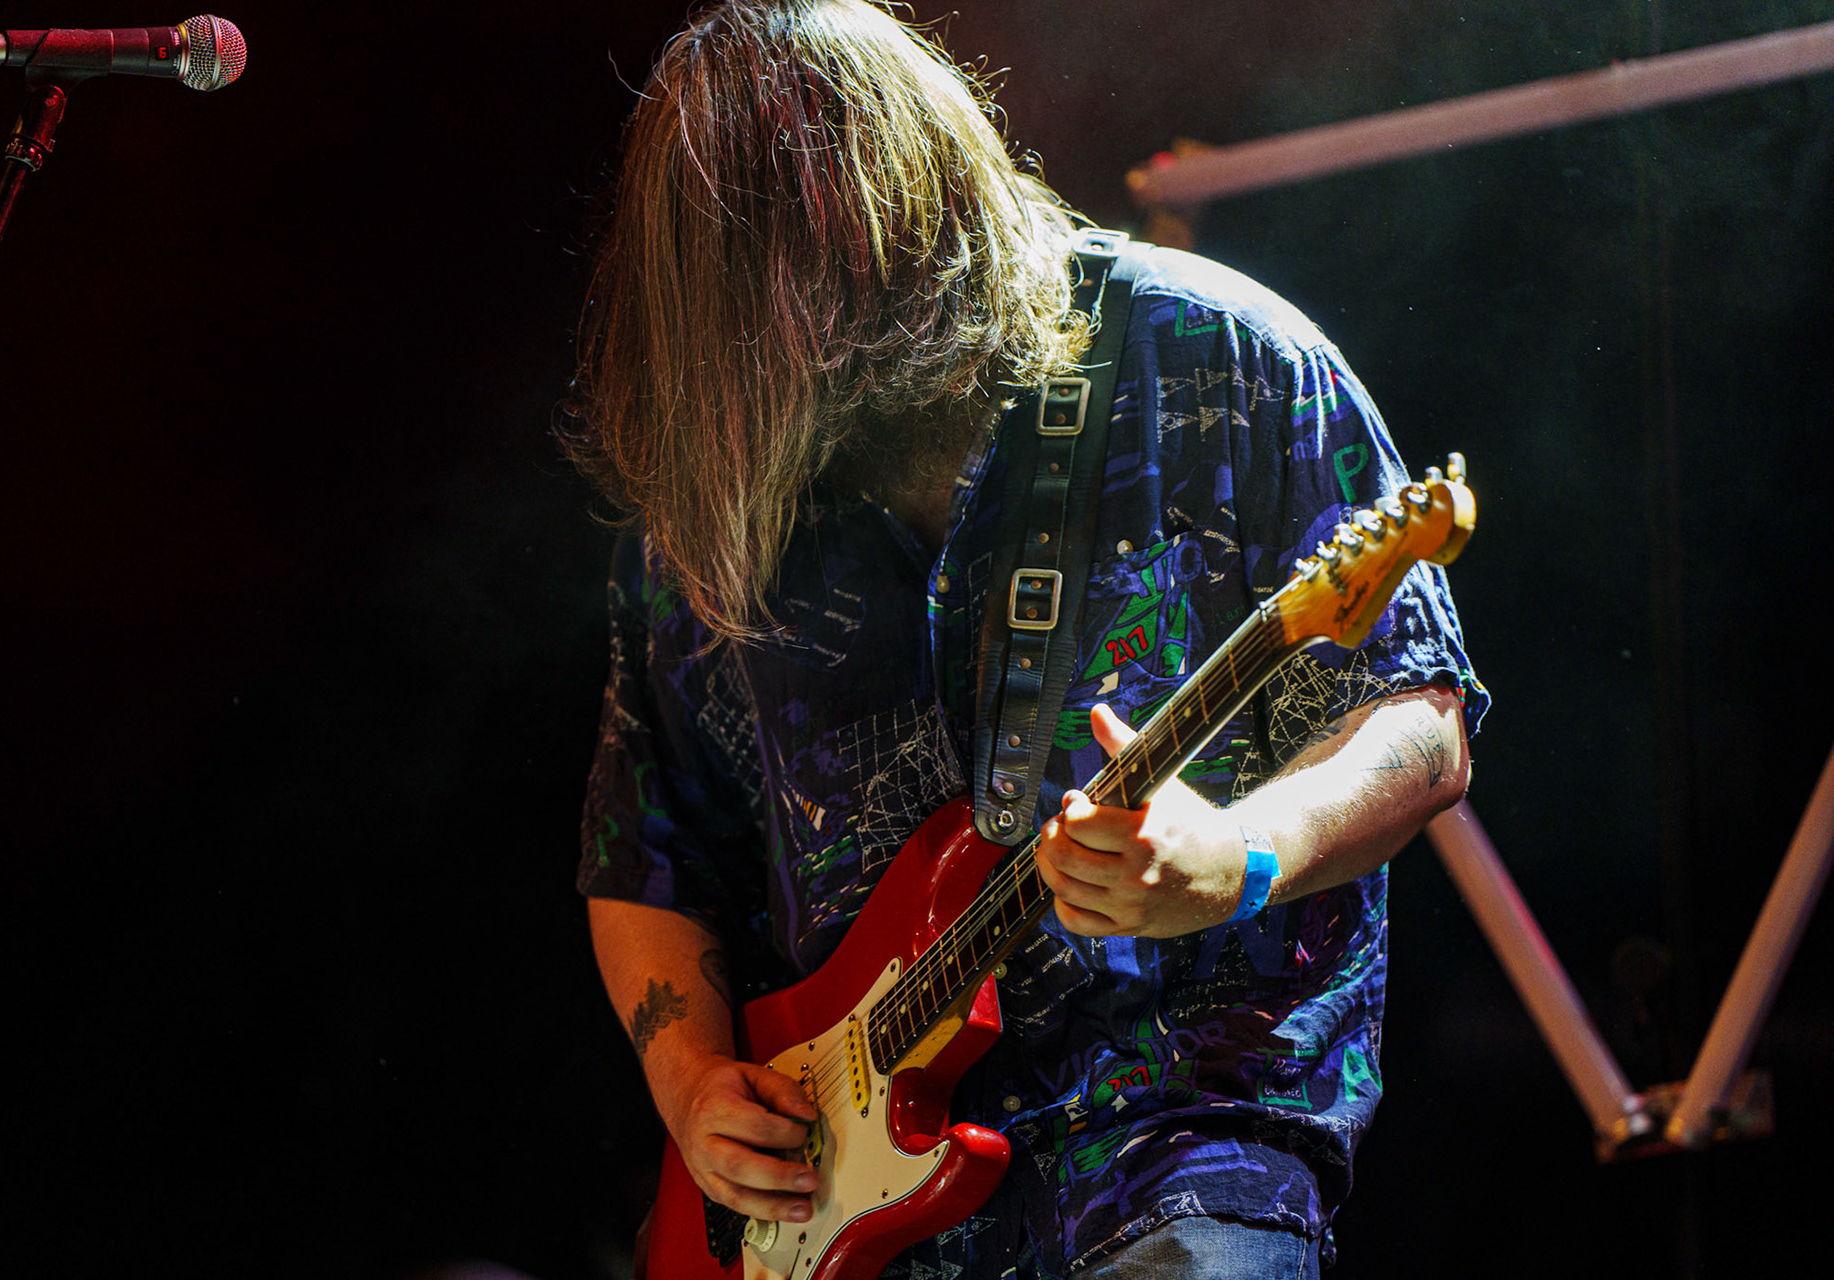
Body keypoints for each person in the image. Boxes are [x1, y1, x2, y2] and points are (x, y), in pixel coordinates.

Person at [567, 2, 1485, 1275]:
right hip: (851, 1207)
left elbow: (1415, 724)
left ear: (927, 190)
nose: (811, 309)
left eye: (843, 242)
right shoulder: (710, 507)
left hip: (1183, 1123)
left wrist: (1239, 855)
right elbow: (645, 852)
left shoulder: (1218, 356)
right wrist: (692, 1083)